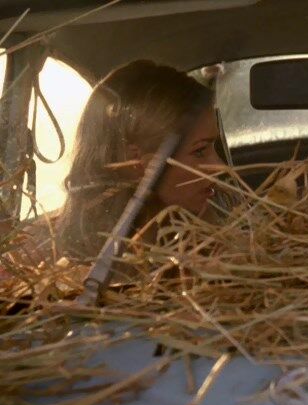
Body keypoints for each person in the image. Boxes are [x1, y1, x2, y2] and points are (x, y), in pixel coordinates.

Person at [54, 60, 225, 261]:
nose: (220, 167)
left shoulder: (210, 239)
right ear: (136, 162)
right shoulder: (82, 268)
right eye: (200, 151)